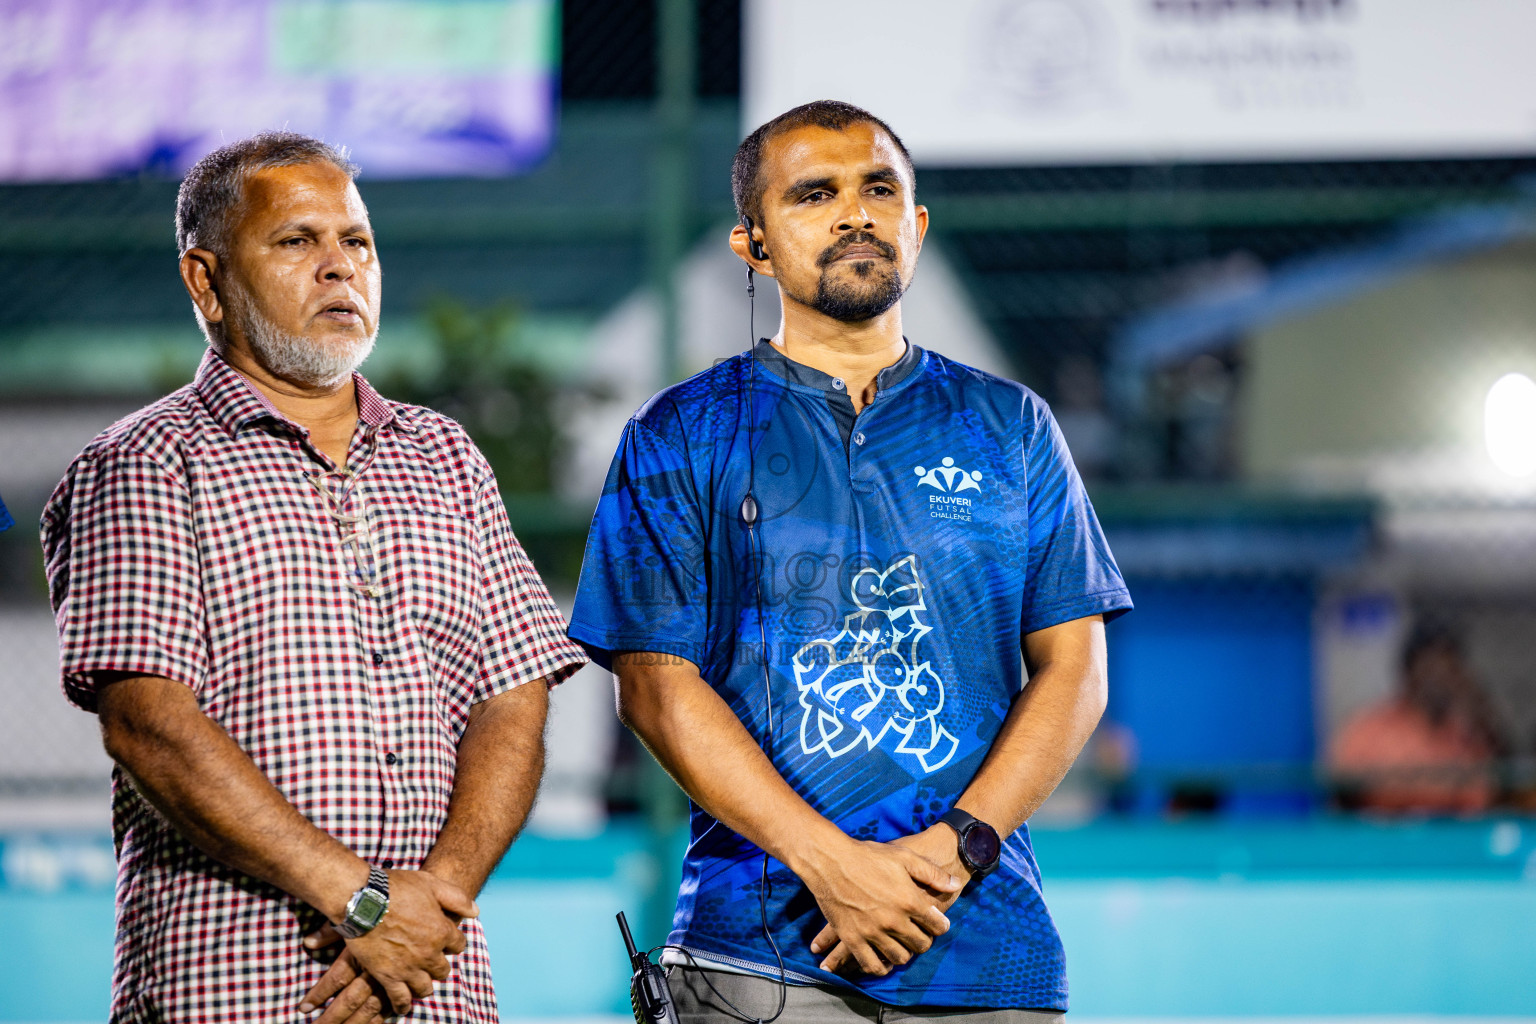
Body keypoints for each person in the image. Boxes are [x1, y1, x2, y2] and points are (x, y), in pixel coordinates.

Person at [569, 101, 1132, 1019]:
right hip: (759, 948)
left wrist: (954, 852)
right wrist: (831, 865)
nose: (855, 214)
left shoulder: (1012, 426)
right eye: (815, 194)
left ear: (915, 227)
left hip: (983, 941)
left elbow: (1076, 670)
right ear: (752, 245)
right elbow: (656, 687)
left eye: (880, 190)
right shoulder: (680, 431)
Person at [41, 131, 586, 1023]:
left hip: (432, 989)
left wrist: (427, 910)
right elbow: (151, 727)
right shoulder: (142, 464)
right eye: (297, 241)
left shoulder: (444, 457)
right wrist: (365, 904)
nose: (340, 268)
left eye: (357, 243)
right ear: (204, 281)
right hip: (234, 992)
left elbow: (513, 696)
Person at [1331, 623, 1502, 815]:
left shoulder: (1464, 731)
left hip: (1446, 835)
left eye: (1448, 667)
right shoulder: (1371, 728)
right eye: (1431, 666)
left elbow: (1484, 799)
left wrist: (1480, 716)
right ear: (1409, 671)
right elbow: (1343, 794)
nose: (1439, 677)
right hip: (1382, 834)